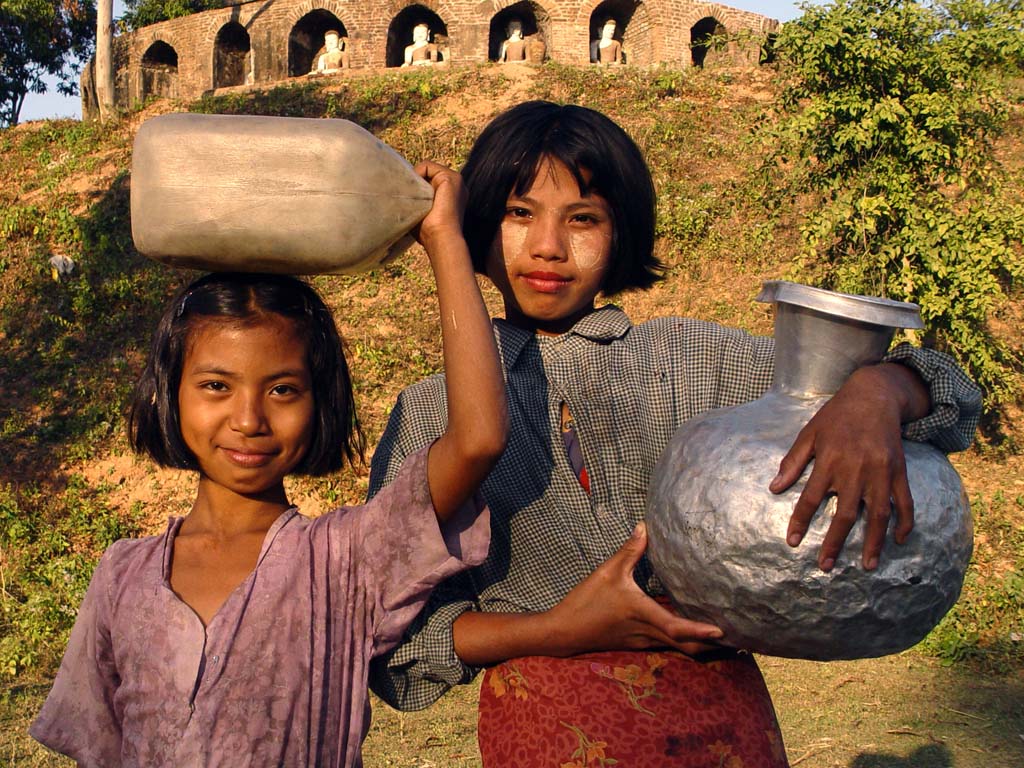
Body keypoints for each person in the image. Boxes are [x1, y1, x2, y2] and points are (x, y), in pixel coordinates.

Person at [367, 101, 982, 766]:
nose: (548, 245)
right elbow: (399, 638)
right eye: (520, 214)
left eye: (584, 218)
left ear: (621, 232)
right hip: (545, 725)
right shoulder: (432, 414)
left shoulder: (700, 361)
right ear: (479, 226)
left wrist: (881, 390)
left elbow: (951, 396)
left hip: (717, 721)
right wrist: (557, 629)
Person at [29, 162, 509, 768]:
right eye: (215, 386)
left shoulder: (347, 561)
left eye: (282, 389)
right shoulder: (122, 576)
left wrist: (444, 240)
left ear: (320, 401)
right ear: (169, 393)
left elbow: (478, 439)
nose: (249, 419)